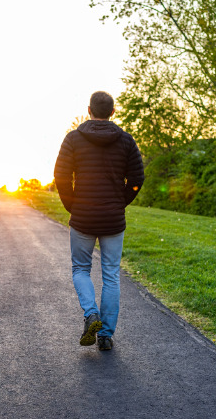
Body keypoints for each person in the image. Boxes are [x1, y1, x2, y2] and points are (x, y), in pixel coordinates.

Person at [54, 91, 145, 351]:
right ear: (113, 112)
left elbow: (61, 176)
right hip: (113, 220)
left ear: (89, 110)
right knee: (111, 275)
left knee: (81, 269)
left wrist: (72, 205)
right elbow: (137, 180)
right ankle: (105, 335)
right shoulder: (126, 140)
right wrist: (120, 202)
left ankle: (90, 313)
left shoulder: (73, 138)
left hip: (83, 217)